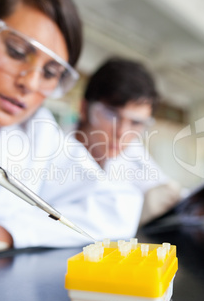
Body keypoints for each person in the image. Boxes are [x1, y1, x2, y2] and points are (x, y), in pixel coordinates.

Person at [0, 0, 143, 256]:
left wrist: (8, 234)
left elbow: (118, 205)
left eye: (50, 73)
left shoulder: (39, 133)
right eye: (15, 51)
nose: (31, 83)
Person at [76, 57, 182, 226]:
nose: (122, 133)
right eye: (111, 115)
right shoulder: (51, 147)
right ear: (83, 108)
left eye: (136, 123)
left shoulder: (132, 151)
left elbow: (165, 189)